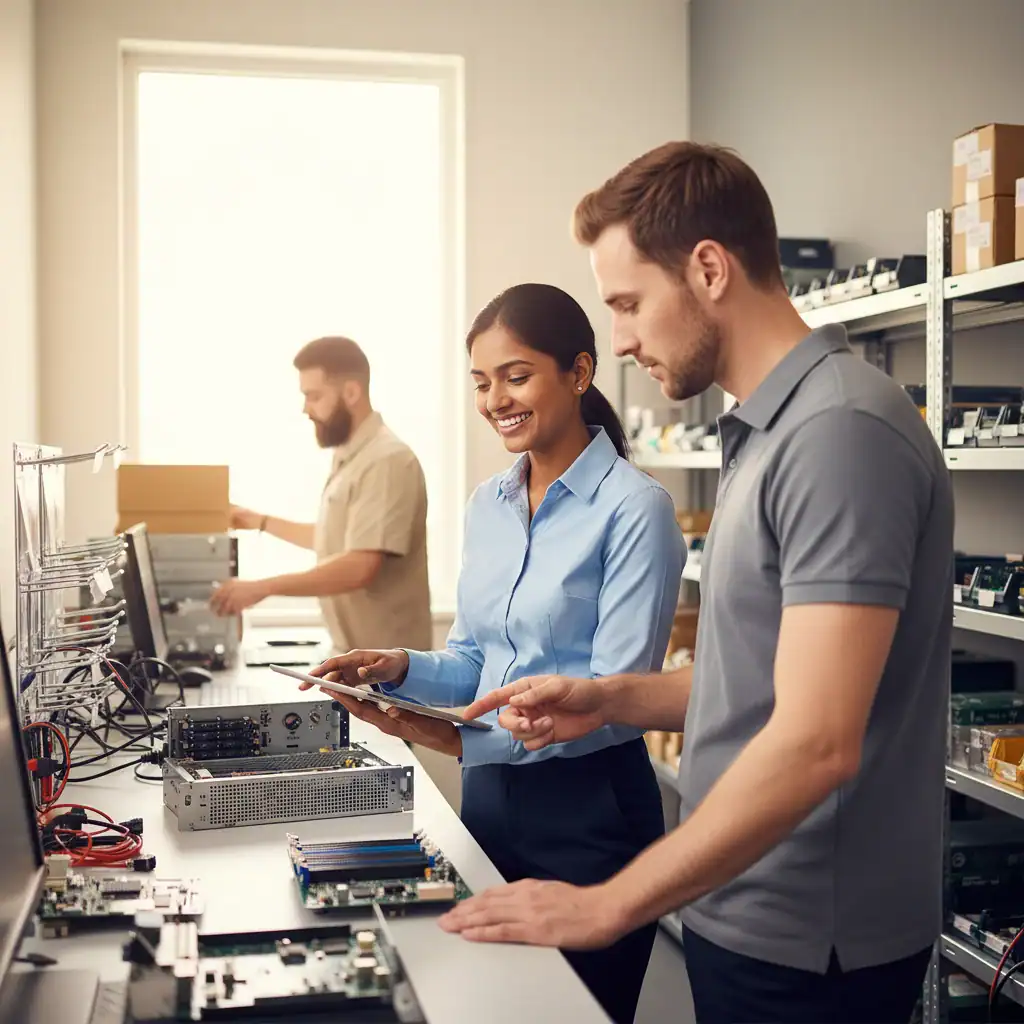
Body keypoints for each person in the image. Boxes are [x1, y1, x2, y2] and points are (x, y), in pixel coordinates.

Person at [443, 143, 953, 1024]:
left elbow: (816, 740)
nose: (625, 340)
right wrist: (608, 698)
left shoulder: (838, 434)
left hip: (808, 937)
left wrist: (610, 901)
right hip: (743, 905)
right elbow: (756, 685)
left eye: (630, 304)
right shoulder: (765, 433)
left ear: (709, 268)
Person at [305, 283, 685, 1024]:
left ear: (579, 373)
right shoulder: (489, 504)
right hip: (489, 801)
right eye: (481, 382)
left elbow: (617, 699)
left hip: (591, 813)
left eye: (516, 376)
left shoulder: (635, 510)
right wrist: (400, 669)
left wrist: (453, 735)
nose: (495, 399)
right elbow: (477, 660)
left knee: (574, 1012)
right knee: (485, 1008)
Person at [210, 336, 432, 654]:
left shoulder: (387, 460)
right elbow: (335, 540)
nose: (305, 409)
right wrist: (259, 521)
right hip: (355, 658)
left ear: (351, 392)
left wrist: (264, 587)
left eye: (313, 396)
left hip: (389, 671)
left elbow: (359, 565)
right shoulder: (353, 457)